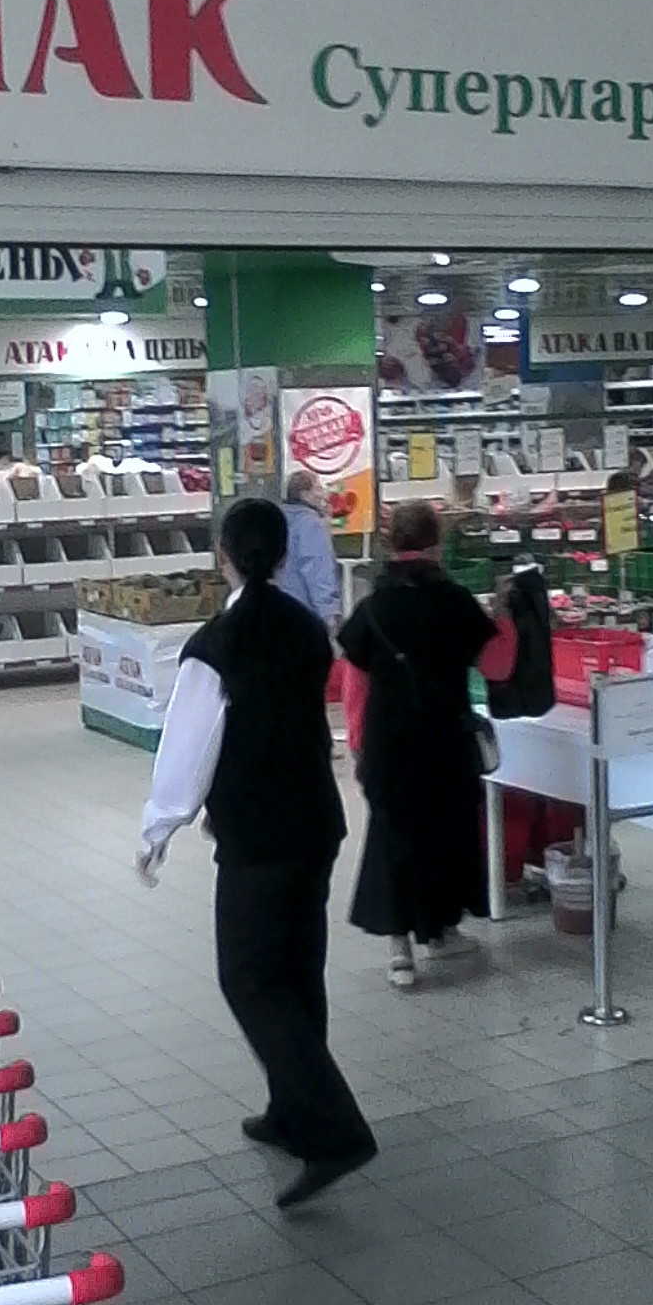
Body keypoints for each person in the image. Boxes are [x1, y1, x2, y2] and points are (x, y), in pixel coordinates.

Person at [136, 496, 376, 1208]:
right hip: (316, 823)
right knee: (297, 974)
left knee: (248, 979)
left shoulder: (217, 644)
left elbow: (190, 749)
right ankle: (289, 1111)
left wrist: (158, 830)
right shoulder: (306, 628)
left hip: (259, 836)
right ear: (282, 554)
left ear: (224, 555)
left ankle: (334, 1132)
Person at [339, 501, 517, 989]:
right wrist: (504, 614)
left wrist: (357, 740)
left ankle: (400, 950)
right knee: (446, 831)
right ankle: (440, 930)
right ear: (436, 543)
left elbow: (354, 681)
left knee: (394, 838)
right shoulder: (455, 601)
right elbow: (497, 666)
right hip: (444, 739)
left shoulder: (373, 607)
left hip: (389, 741)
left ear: (391, 542)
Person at [274, 470, 342, 629]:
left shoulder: (278, 520)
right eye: (318, 489)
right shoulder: (310, 524)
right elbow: (317, 568)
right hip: (305, 612)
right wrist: (328, 612)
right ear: (304, 494)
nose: (323, 495)